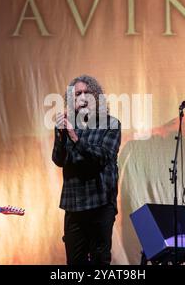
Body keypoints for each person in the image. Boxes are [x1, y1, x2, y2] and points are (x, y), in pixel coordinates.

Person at [52, 75, 121, 265]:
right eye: (77, 94)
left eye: (86, 93)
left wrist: (74, 137)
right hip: (73, 203)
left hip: (100, 202)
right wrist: (60, 135)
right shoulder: (67, 126)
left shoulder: (111, 124)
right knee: (74, 262)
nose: (82, 98)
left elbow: (101, 156)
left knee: (99, 260)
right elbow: (59, 160)